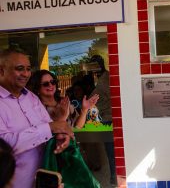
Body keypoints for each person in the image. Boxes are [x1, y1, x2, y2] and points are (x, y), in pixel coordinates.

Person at [0, 48, 74, 188]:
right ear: (1, 70)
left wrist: (60, 136)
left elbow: (49, 129)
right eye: (20, 68)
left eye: (28, 69)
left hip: (44, 180)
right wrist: (50, 128)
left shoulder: (31, 97)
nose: (26, 74)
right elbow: (4, 148)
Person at [28, 69, 99, 129]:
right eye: (45, 84)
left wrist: (84, 109)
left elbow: (77, 127)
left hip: (71, 144)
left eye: (53, 82)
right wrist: (62, 119)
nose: (50, 85)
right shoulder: (37, 109)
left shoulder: (64, 102)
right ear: (37, 88)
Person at [89, 55, 117, 185]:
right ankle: (114, 177)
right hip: (104, 118)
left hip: (109, 118)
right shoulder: (100, 78)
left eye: (94, 65)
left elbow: (99, 96)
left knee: (111, 152)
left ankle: (114, 178)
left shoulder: (105, 79)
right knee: (109, 151)